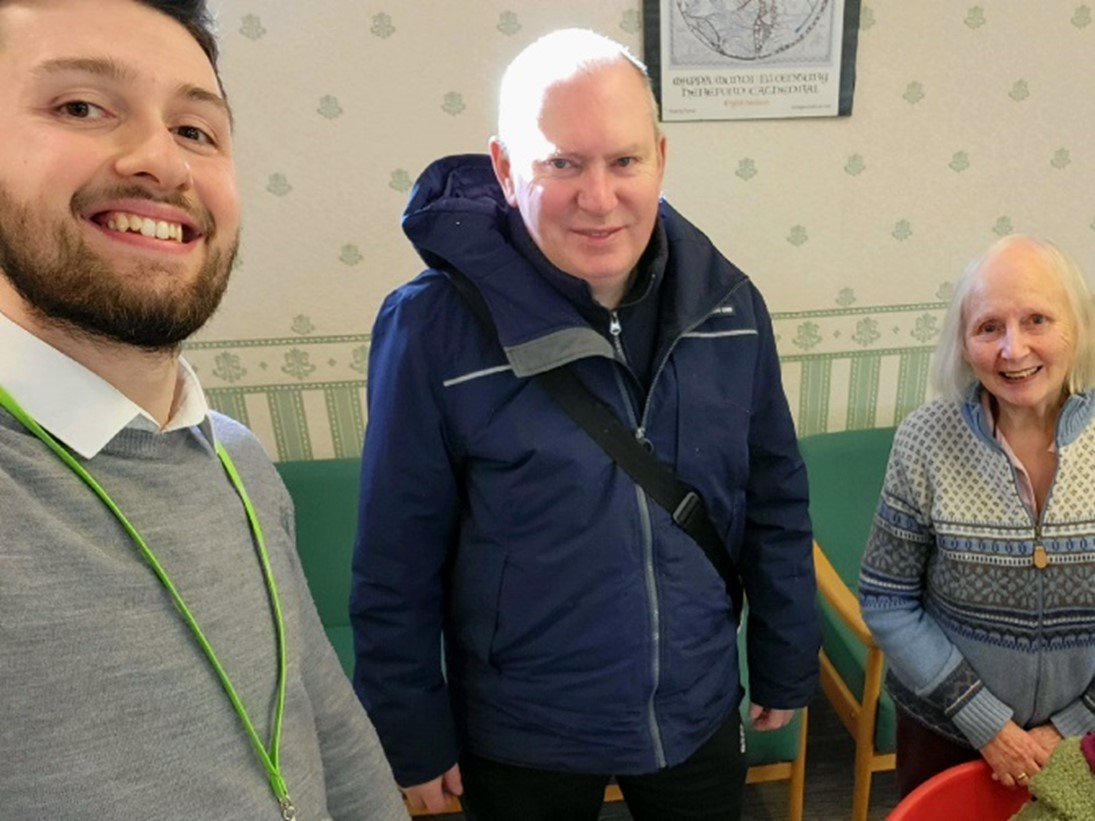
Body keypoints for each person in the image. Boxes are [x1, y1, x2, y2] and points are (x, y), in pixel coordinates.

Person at [350, 28, 819, 820]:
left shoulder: (729, 305)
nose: (598, 198)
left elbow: (773, 497)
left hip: (695, 701)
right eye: (561, 163)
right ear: (504, 168)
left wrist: (782, 656)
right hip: (522, 727)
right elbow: (395, 556)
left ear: (660, 159)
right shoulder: (429, 328)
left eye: (623, 161)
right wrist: (409, 731)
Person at [0, 1, 406, 818]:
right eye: (80, 106)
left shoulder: (238, 464)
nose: (161, 161)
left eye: (196, 130)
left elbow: (329, 731)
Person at [859, 234, 1095, 797]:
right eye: (989, 327)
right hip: (945, 728)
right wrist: (986, 721)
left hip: (1085, 738)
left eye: (1037, 319)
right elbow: (887, 596)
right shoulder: (927, 438)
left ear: (1076, 328)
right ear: (964, 343)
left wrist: (1074, 723)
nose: (1013, 350)